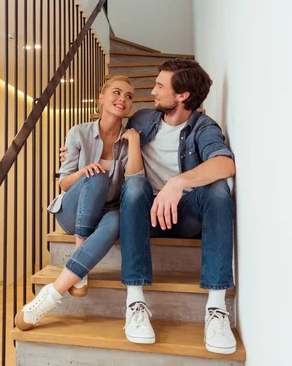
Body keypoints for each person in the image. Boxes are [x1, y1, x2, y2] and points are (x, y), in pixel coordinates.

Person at [60, 59, 237, 353]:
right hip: (145, 214)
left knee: (219, 191)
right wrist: (73, 151)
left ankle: (216, 309)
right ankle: (135, 301)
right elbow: (109, 132)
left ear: (182, 96)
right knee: (135, 185)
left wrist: (177, 182)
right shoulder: (143, 119)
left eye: (159, 86)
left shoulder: (203, 128)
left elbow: (225, 163)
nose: (152, 92)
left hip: (185, 216)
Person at [15, 76, 140, 331]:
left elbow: (135, 181)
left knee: (117, 219)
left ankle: (51, 294)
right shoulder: (79, 132)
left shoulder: (130, 140)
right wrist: (85, 171)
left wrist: (135, 144)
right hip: (73, 212)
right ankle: (80, 249)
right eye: (116, 92)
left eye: (129, 97)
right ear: (100, 99)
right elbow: (63, 183)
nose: (123, 99)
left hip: (107, 212)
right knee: (96, 176)